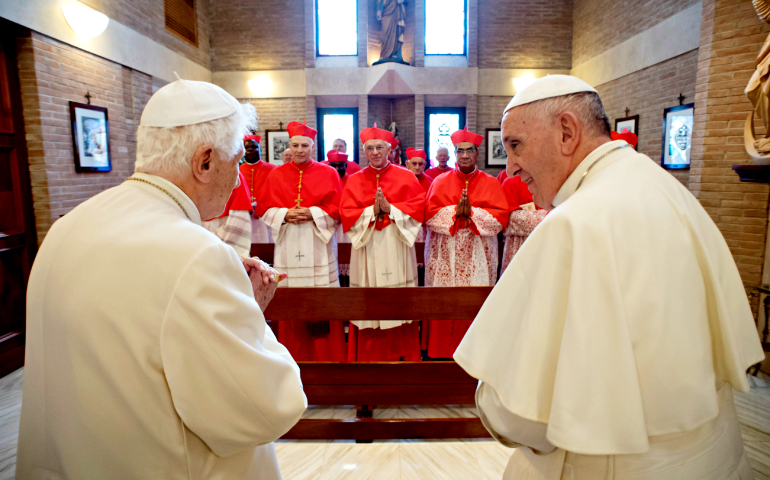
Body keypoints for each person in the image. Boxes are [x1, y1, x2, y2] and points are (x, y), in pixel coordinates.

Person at [454, 75, 764, 480]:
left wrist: (492, 394)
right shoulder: (666, 189)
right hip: (713, 455)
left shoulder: (574, 223)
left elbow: (520, 416)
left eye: (515, 145)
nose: (510, 165)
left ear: (566, 132)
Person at [16, 78, 306, 480]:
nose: (239, 178)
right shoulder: (197, 254)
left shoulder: (68, 227)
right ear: (204, 161)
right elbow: (263, 408)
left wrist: (232, 306)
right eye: (236, 161)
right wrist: (251, 317)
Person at [255, 120, 346, 361]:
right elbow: (264, 209)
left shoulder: (329, 173)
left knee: (321, 299)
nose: (299, 150)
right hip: (288, 244)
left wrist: (312, 213)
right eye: (295, 145)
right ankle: (290, 356)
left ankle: (327, 358)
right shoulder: (276, 175)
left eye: (304, 145)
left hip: (318, 243)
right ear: (290, 146)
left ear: (313, 147)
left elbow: (338, 210)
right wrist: (284, 214)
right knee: (290, 295)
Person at [340, 123, 425, 361]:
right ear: (364, 151)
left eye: (379, 147)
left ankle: (402, 356)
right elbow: (346, 212)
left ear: (389, 149)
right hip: (367, 245)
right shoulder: (355, 180)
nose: (375, 152)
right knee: (370, 301)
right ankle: (370, 356)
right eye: (370, 148)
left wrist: (391, 210)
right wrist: (370, 212)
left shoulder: (406, 176)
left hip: (395, 242)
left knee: (399, 301)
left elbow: (418, 208)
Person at [423, 127, 508, 359]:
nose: (464, 155)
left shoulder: (490, 183)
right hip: (444, 253)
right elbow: (429, 216)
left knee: (474, 301)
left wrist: (472, 214)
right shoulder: (440, 181)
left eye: (469, 150)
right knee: (444, 301)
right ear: (454, 153)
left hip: (478, 253)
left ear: (477, 153)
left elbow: (500, 219)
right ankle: (440, 351)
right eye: (460, 151)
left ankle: (476, 352)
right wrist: (454, 212)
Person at [500, 175, 547, 274]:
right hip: (518, 248)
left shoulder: (553, 180)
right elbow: (512, 220)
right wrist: (547, 216)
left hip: (546, 245)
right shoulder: (511, 182)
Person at [202, 170, 254, 257]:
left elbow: (238, 220)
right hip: (197, 231)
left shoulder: (234, 174)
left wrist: (209, 242)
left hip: (223, 229)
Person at [240, 134, 276, 243]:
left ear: (260, 149)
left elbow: (275, 193)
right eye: (247, 148)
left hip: (265, 216)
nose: (250, 150)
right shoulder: (237, 171)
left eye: (254, 147)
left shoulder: (273, 170)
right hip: (244, 217)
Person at [327, 149, 352, 286]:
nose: (337, 169)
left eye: (340, 165)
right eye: (333, 165)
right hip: (329, 226)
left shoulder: (353, 181)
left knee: (346, 260)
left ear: (346, 166)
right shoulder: (323, 180)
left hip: (347, 227)